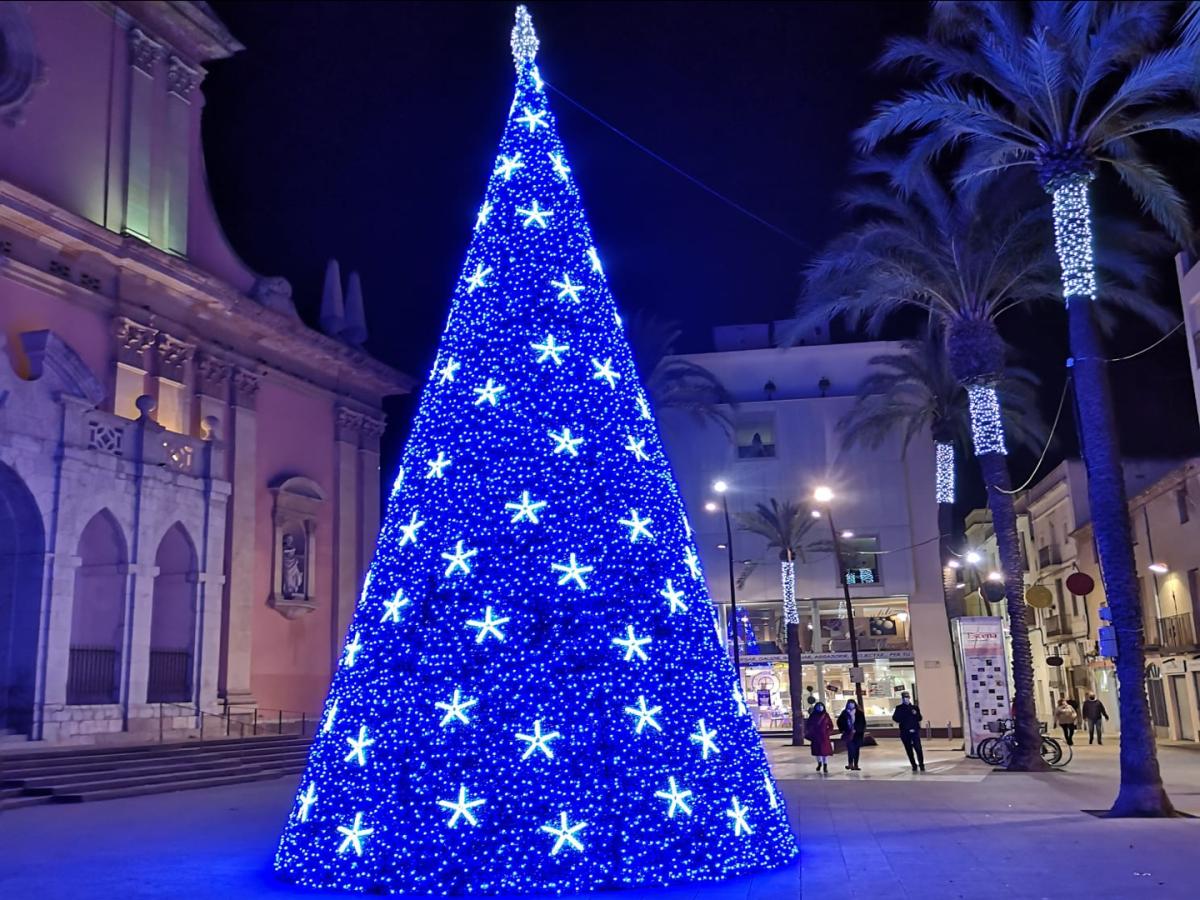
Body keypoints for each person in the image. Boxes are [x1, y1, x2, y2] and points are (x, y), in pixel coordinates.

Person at [892, 691, 925, 771]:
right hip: (905, 732)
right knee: (909, 750)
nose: (906, 699)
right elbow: (895, 718)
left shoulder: (914, 708)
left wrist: (915, 713)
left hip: (915, 732)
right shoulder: (899, 708)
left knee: (918, 749)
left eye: (907, 697)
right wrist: (903, 715)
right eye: (904, 698)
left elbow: (919, 718)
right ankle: (913, 765)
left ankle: (921, 764)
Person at [837, 699, 867, 771]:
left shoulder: (859, 713)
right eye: (849, 703)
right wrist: (843, 729)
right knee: (850, 749)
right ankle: (850, 764)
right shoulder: (844, 713)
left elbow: (863, 723)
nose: (851, 705)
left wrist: (858, 729)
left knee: (856, 749)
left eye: (852, 703)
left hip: (857, 734)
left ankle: (856, 764)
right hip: (848, 733)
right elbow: (839, 722)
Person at [805, 702, 834, 773]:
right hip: (816, 736)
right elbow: (808, 725)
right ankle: (819, 763)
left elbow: (831, 725)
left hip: (824, 736)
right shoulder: (813, 715)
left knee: (825, 752)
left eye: (821, 706)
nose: (820, 707)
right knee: (817, 752)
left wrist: (828, 732)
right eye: (818, 706)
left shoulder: (826, 715)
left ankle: (825, 765)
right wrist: (811, 731)